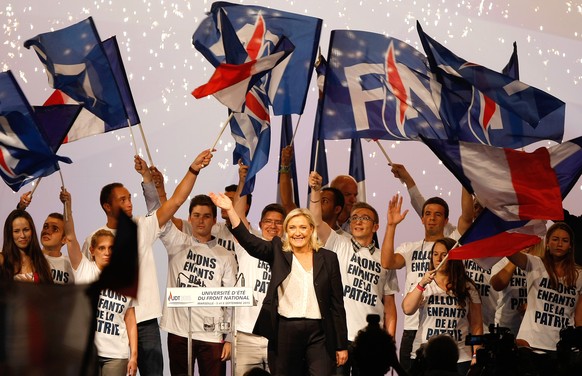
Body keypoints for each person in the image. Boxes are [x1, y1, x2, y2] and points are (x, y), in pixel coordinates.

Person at [81, 150, 214, 376]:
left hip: (146, 322)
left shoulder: (141, 227)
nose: (129, 203)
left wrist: (193, 169)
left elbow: (175, 201)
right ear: (107, 206)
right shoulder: (92, 241)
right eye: (122, 200)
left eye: (129, 198)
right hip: (112, 329)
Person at [210, 192, 348, 376]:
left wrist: (341, 345)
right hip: (286, 330)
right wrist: (230, 210)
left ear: (311, 230)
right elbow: (249, 241)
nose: (297, 233)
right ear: (286, 231)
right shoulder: (278, 251)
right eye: (292, 228)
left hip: (320, 333)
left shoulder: (328, 258)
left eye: (302, 227)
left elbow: (336, 305)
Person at [309, 171, 399, 376]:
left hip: (370, 340)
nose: (358, 221)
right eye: (355, 217)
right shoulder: (340, 243)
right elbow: (315, 221)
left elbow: (390, 306)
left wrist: (389, 343)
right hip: (340, 336)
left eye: (365, 218)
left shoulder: (384, 259)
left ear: (375, 226)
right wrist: (315, 191)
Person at [158, 194, 237, 376]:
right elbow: (160, 212)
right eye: (196, 215)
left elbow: (233, 301)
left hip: (212, 334)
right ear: (189, 218)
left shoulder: (225, 255)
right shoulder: (176, 243)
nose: (201, 221)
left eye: (206, 216)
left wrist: (230, 338)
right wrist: (154, 185)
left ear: (214, 220)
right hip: (179, 331)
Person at [381, 194, 460, 372]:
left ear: (446, 219)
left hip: (442, 329)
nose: (432, 218)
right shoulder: (410, 248)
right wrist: (391, 226)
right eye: (428, 213)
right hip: (412, 327)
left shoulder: (452, 249)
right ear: (422, 218)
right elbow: (387, 262)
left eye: (438, 214)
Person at [67, 196, 138, 376]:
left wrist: (134, 356)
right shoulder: (83, 268)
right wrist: (67, 205)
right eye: (101, 248)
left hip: (116, 354)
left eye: (111, 248)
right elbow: (69, 236)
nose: (107, 252)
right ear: (92, 250)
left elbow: (130, 319)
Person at [402, 238, 483, 375]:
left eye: (444, 254)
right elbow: (407, 309)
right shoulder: (422, 283)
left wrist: (476, 354)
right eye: (435, 254)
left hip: (460, 357)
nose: (438, 259)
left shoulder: (468, 287)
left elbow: (476, 325)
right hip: (425, 354)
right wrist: (421, 284)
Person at [506, 223, 582, 356]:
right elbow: (510, 252)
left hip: (562, 348)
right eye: (555, 239)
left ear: (570, 246)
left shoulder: (579, 275)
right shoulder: (535, 263)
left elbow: (579, 318)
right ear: (547, 243)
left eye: (565, 240)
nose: (559, 244)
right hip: (531, 344)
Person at [233, 201, 286, 375]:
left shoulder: (290, 252)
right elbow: (238, 217)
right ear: (260, 224)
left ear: (285, 226)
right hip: (246, 335)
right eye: (268, 221)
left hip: (278, 337)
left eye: (278, 222)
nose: (273, 225)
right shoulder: (248, 244)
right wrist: (243, 180)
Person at [15, 191, 74, 284]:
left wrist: (68, 206)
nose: (47, 231)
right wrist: (20, 209)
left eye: (55, 229)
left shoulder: (71, 266)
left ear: (64, 239)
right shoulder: (28, 256)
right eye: (45, 226)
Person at [490, 242, 545, 335]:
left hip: (532, 328)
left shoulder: (540, 262)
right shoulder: (504, 259)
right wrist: (516, 259)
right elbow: (497, 285)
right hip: (505, 326)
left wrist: (532, 306)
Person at [0, 209, 52, 283]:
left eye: (26, 230)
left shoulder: (41, 262)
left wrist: (32, 289)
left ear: (32, 231)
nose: (22, 235)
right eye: (16, 231)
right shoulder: (2, 259)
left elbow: (50, 293)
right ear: (9, 234)